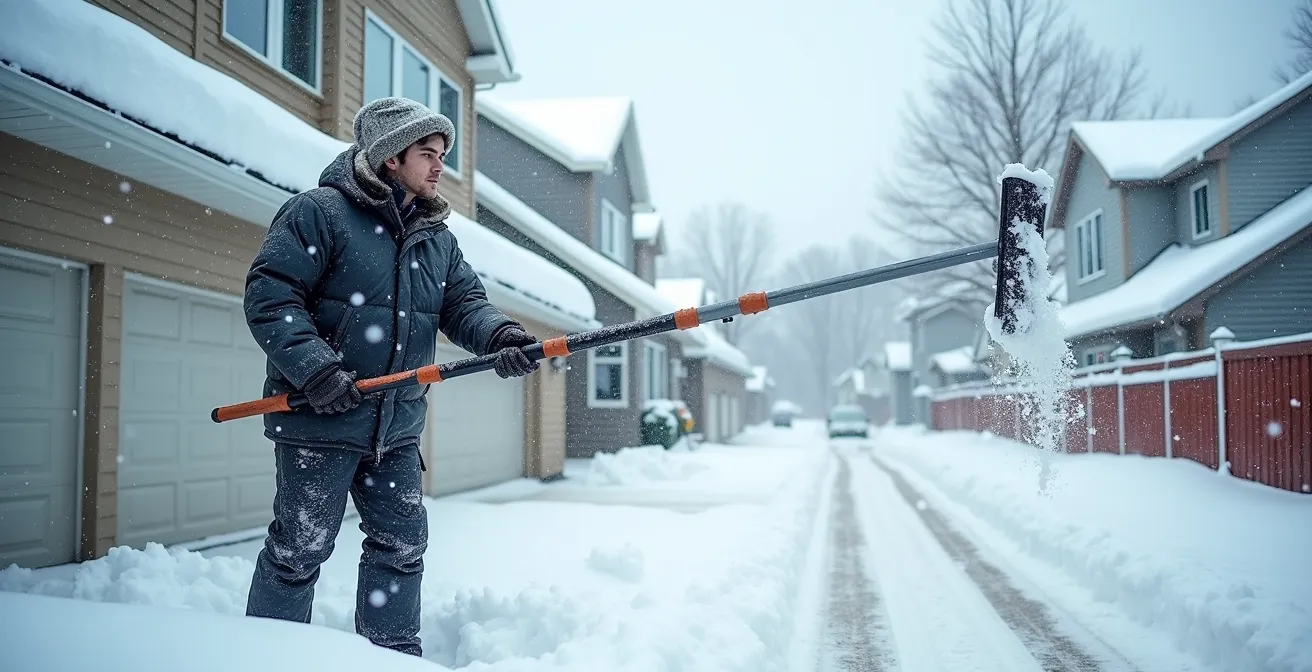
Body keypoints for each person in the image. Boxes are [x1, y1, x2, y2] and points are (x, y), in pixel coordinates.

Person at [241, 97, 540, 657]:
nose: (438, 167)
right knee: (298, 551)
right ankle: (267, 656)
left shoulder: (436, 238)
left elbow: (465, 305)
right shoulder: (321, 213)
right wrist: (315, 371)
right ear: (388, 159)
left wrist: (500, 337)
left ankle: (391, 656)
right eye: (427, 154)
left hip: (396, 427)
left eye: (442, 155)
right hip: (320, 421)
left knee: (401, 547)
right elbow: (271, 297)